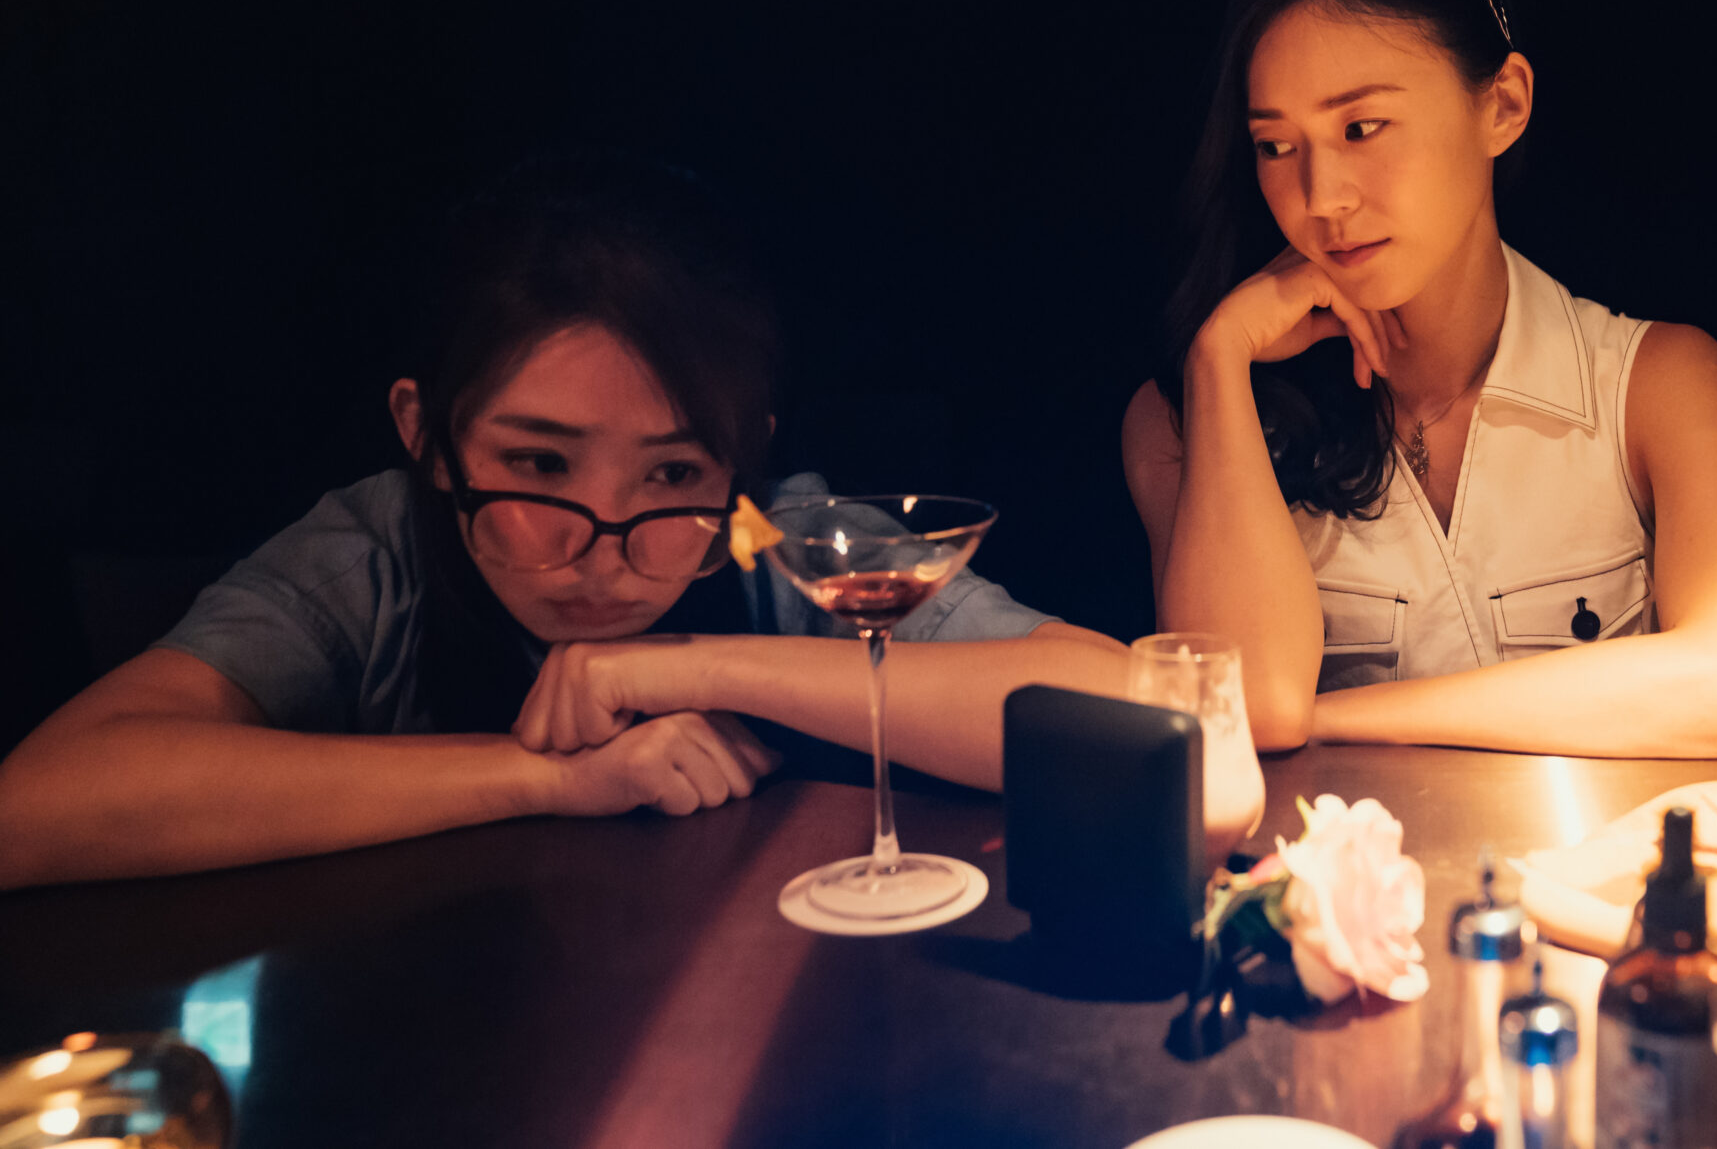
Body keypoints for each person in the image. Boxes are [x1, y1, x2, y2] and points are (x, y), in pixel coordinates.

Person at [0, 155, 1124, 889]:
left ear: (742, 461)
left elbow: (1126, 703)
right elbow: (37, 807)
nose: (602, 541)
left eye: (673, 472)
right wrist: (544, 775)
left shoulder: (771, 539)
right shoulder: (375, 554)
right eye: (539, 464)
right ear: (427, 436)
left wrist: (695, 664)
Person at [1123, 0, 1717, 755]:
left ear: (1503, 105)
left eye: (1361, 128)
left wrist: (1325, 718)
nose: (1321, 197)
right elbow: (1238, 709)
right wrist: (1219, 359)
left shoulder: (1653, 381)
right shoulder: (1183, 419)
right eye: (1276, 146)